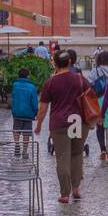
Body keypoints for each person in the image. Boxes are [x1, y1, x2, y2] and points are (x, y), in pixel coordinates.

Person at [36, 50, 90, 203]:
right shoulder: (79, 79)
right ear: (69, 62)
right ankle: (76, 188)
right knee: (77, 154)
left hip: (58, 123)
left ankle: (65, 193)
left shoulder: (50, 82)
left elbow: (43, 107)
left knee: (62, 157)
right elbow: (91, 96)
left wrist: (39, 124)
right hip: (77, 121)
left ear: (54, 63)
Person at [88, 50, 108, 164]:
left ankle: (103, 149)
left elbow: (89, 85)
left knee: (99, 126)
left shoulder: (95, 71)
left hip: (98, 101)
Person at [10, 67, 39, 132]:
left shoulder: (15, 85)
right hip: (28, 114)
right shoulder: (32, 87)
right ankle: (25, 143)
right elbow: (34, 102)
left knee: (16, 130)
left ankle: (16, 142)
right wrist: (36, 112)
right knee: (27, 132)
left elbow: (13, 97)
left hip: (17, 113)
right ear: (28, 76)